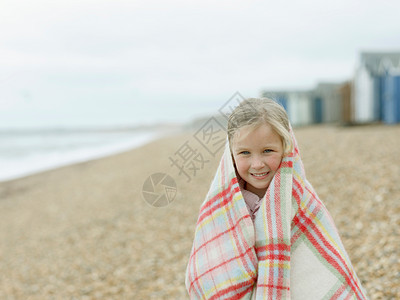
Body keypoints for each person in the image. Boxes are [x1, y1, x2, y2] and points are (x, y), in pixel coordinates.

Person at [185, 98, 368, 299]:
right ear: (230, 155)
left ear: (287, 149)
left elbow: (324, 269)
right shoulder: (220, 207)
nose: (257, 164)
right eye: (245, 153)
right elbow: (209, 267)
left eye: (268, 151)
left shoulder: (302, 201)